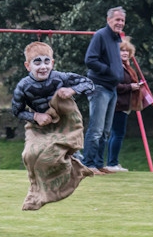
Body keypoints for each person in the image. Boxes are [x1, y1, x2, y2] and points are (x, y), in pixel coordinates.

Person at [11, 41, 95, 210]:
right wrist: (35, 116)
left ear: (53, 63)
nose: (43, 66)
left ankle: (73, 160)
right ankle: (36, 191)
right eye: (37, 62)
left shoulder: (60, 77)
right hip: (39, 125)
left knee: (55, 152)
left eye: (46, 61)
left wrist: (73, 90)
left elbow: (89, 84)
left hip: (63, 120)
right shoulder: (23, 86)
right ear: (28, 66)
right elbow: (16, 111)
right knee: (30, 155)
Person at [81, 6, 126, 175]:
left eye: (122, 20)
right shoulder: (101, 35)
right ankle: (88, 164)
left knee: (106, 130)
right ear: (109, 20)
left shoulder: (116, 39)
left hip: (112, 88)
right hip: (99, 87)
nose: (120, 23)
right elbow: (90, 60)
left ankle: (99, 163)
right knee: (96, 129)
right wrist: (109, 71)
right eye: (117, 19)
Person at [104, 37, 140, 173]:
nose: (124, 53)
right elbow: (114, 85)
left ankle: (113, 161)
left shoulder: (126, 66)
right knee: (117, 134)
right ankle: (112, 162)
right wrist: (130, 87)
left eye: (126, 50)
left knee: (117, 133)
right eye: (121, 50)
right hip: (117, 104)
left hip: (124, 104)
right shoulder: (116, 66)